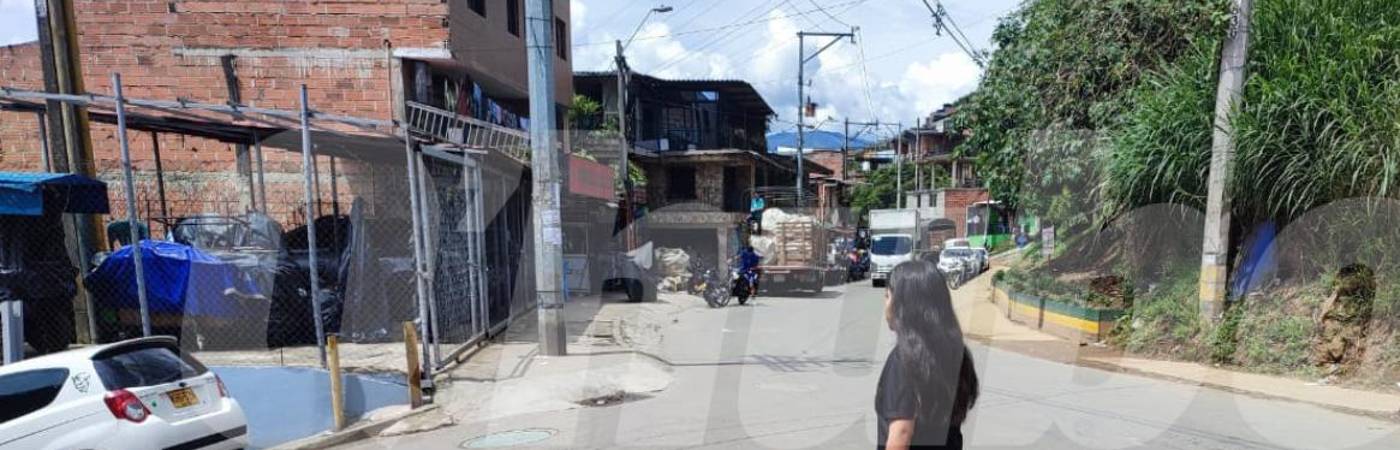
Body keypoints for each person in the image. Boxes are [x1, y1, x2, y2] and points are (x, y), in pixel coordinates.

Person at [877, 260, 979, 450]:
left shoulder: (903, 359)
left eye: (887, 296)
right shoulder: (957, 353)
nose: (886, 304)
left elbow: (901, 434)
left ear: (903, 305)